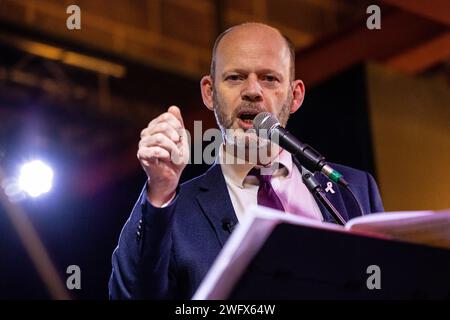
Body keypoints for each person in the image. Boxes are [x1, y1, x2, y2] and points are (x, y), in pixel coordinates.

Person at [108, 22, 384, 299]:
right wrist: (160, 190)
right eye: (235, 77)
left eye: (269, 79)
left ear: (295, 95)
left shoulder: (354, 190)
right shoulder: (175, 211)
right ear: (209, 92)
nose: (252, 90)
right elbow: (130, 295)